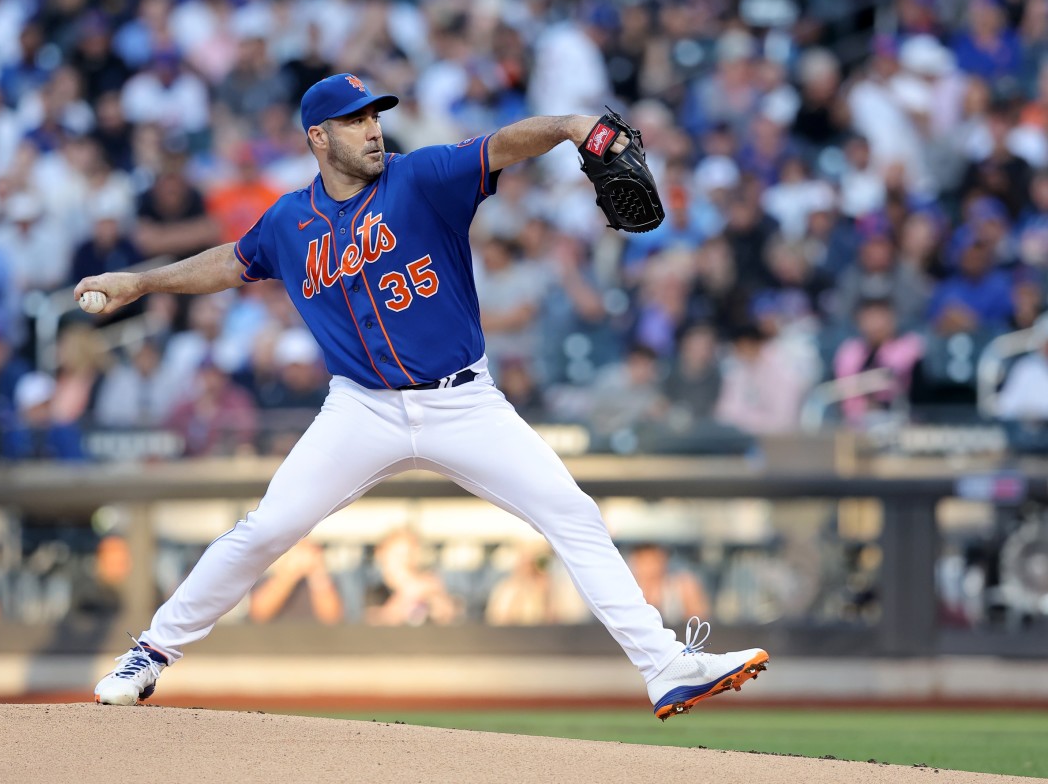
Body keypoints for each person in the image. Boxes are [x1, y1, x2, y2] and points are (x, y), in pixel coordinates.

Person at [82, 73, 768, 720]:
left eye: (375, 116)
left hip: (463, 402)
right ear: (318, 137)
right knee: (266, 529)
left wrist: (566, 125)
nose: (373, 130)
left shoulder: (422, 178)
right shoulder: (290, 222)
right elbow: (230, 261)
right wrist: (141, 284)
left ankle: (664, 665)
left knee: (572, 513)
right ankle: (151, 651)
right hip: (362, 408)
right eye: (354, 121)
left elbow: (503, 145)